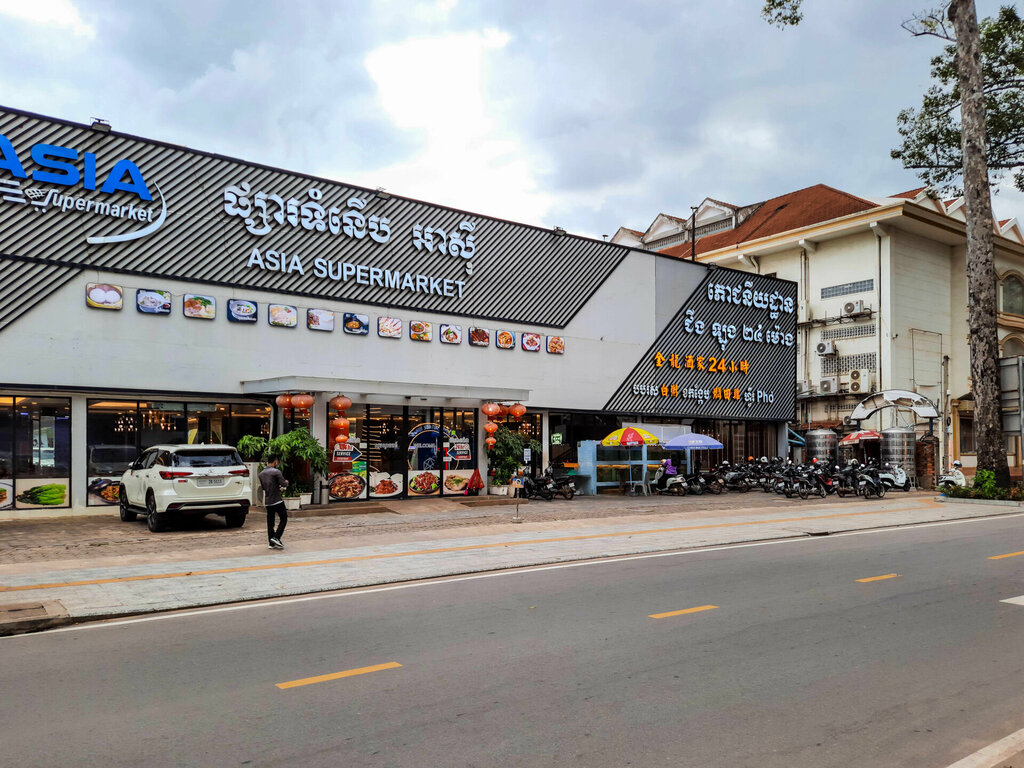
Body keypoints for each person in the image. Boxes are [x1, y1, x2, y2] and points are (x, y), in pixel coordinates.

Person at [259, 455, 289, 549]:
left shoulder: (261, 474)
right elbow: (283, 483)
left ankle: (271, 543)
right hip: (277, 500)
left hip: (268, 501)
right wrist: (286, 482)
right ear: (275, 461)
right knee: (284, 518)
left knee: (270, 522)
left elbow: (264, 488)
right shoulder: (276, 472)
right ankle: (276, 537)